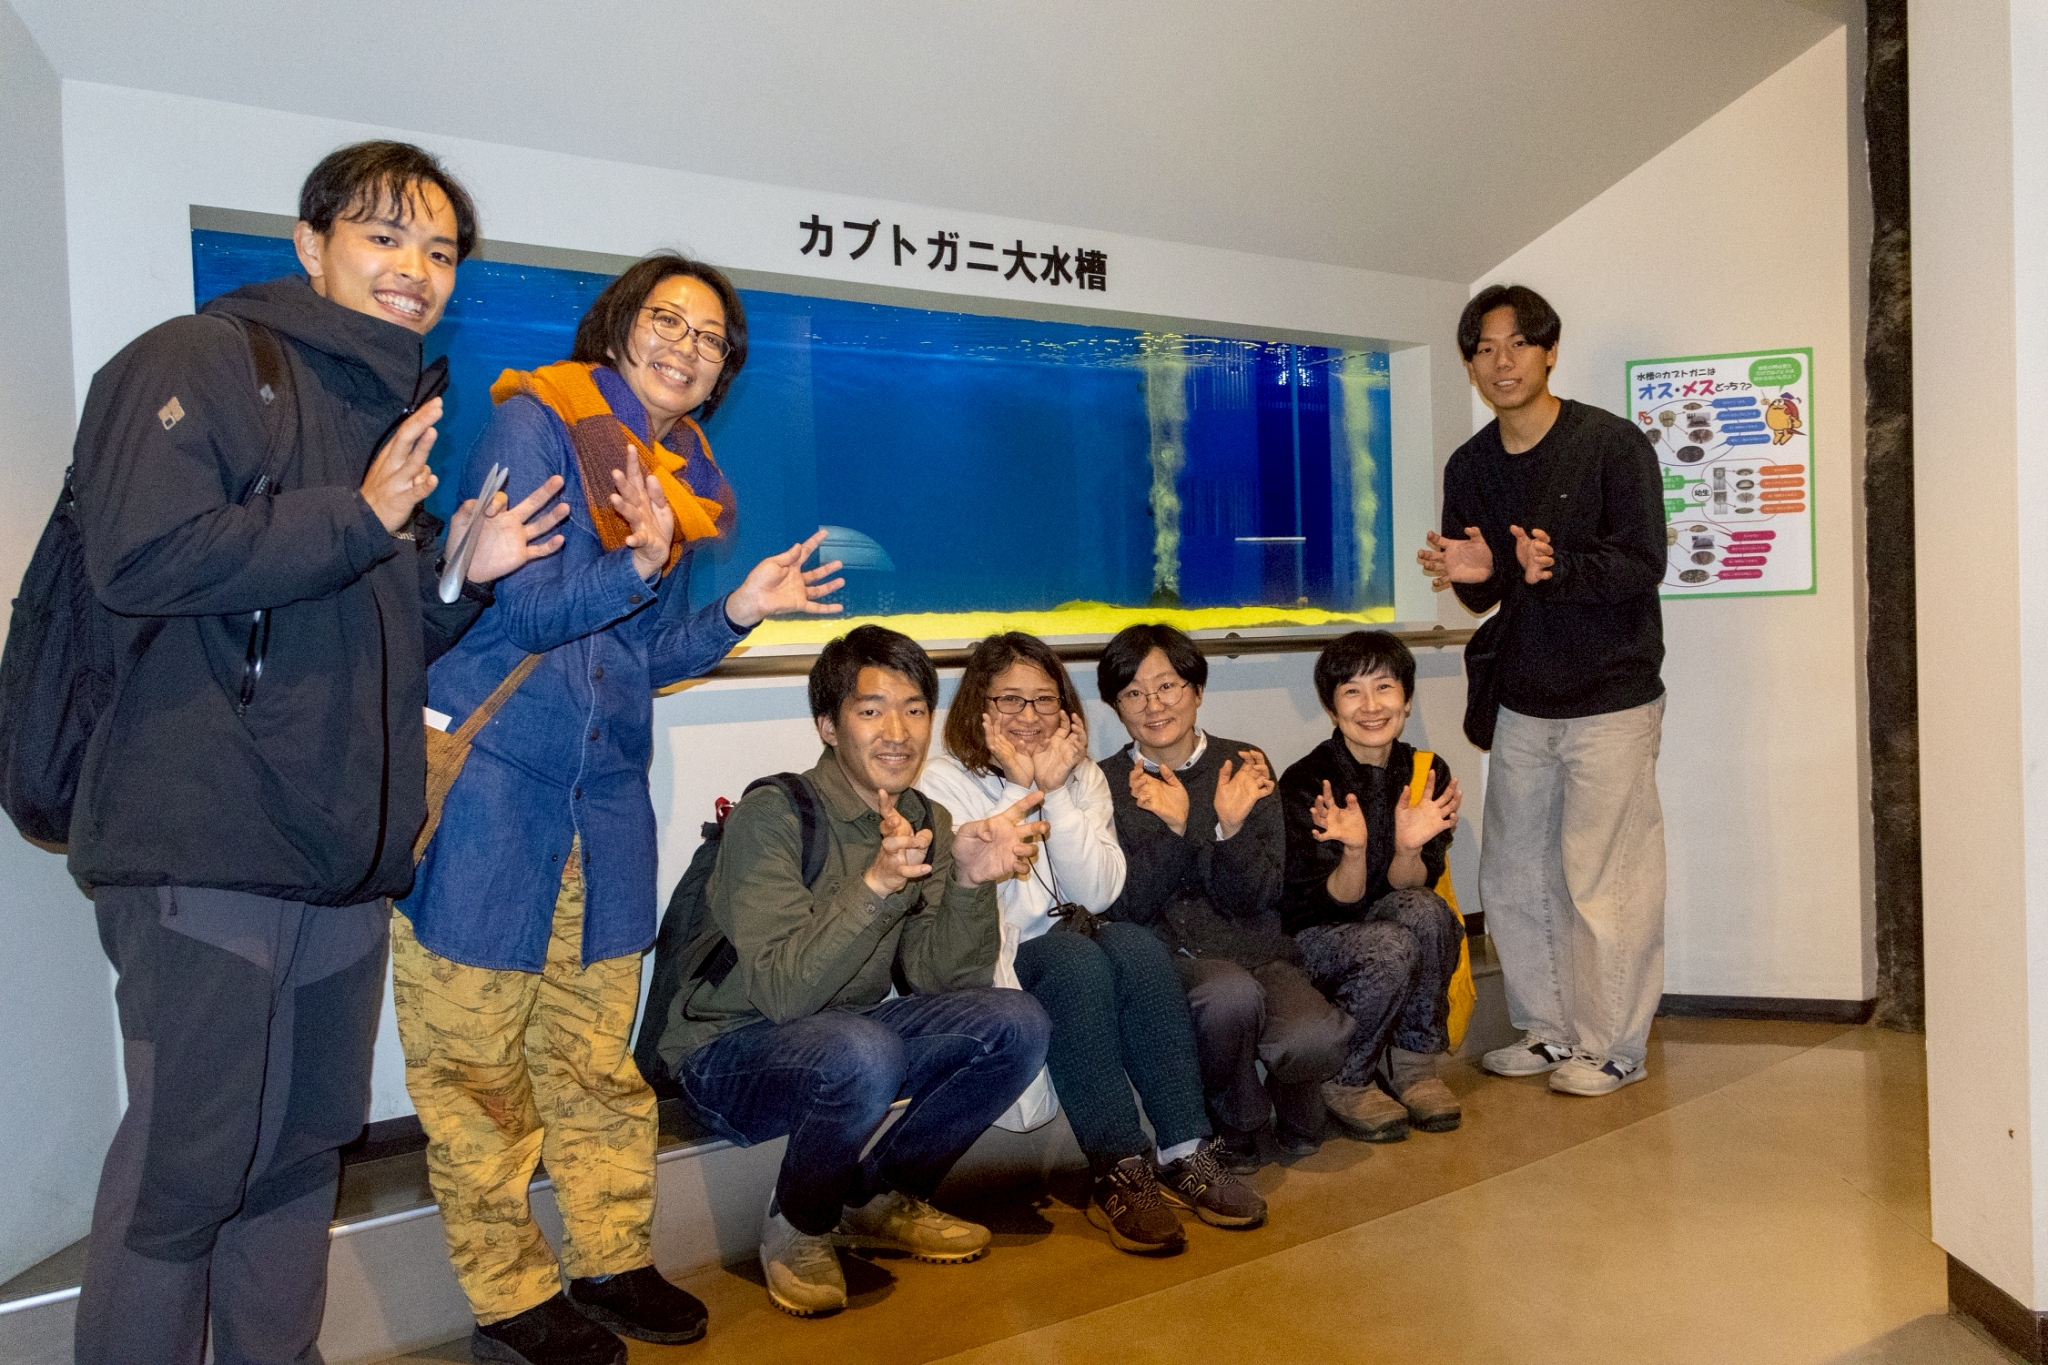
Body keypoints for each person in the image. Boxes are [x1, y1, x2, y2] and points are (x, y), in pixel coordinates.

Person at [67, 142, 569, 1365]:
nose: (415, 270)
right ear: (310, 243)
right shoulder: (196, 360)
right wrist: (361, 516)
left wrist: (456, 577)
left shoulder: (379, 411)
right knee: (187, 1168)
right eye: (384, 237)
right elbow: (140, 556)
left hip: (340, 860)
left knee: (299, 1159)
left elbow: (358, 621)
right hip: (205, 846)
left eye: (439, 251)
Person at [392, 254, 846, 1363]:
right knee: (476, 1073)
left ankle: (610, 1258)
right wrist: (639, 563)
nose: (687, 347)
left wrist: (738, 609)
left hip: (604, 810)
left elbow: (640, 658)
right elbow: (526, 608)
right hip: (495, 796)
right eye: (668, 320)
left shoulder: (680, 475)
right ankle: (509, 1297)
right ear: (618, 323)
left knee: (597, 1062)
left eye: (711, 339)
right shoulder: (536, 422)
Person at [657, 626, 1052, 1318]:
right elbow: (783, 992)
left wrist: (969, 881)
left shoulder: (925, 818)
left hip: (845, 1037)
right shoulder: (772, 815)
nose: (898, 731)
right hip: (726, 1053)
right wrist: (875, 887)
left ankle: (879, 1196)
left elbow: (941, 983)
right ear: (828, 725)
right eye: (872, 710)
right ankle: (800, 1222)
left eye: (914, 708)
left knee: (1018, 1022)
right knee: (863, 1049)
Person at [920, 632, 1265, 1255]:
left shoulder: (1081, 777)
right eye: (1010, 700)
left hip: (1072, 938)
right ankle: (1118, 1168)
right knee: (1075, 958)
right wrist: (1021, 788)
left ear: (1064, 706)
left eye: (1044, 699)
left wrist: (1055, 791)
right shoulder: (944, 780)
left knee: (1135, 945)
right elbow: (996, 903)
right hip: (992, 952)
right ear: (979, 706)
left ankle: (1186, 1149)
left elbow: (1100, 892)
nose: (1029, 716)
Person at [1418, 283, 1667, 1097]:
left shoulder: (1611, 444)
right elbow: (1485, 589)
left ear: (1550, 351)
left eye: (1519, 343)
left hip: (1612, 696)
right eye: (1485, 348)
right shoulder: (1470, 465)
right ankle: (1550, 1032)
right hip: (1522, 695)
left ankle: (1615, 1045)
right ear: (1470, 364)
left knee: (1606, 878)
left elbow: (1643, 560)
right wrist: (1476, 573)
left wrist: (1559, 566)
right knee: (1516, 874)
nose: (1503, 361)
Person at [1096, 624, 1352, 1165]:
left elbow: (1259, 894)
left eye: (1167, 686)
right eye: (1133, 693)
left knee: (1315, 1039)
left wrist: (1228, 830)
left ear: (1197, 690)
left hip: (1256, 947)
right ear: (1116, 706)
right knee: (1228, 997)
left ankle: (1287, 1089)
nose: (1153, 705)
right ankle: (1235, 1118)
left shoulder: (1245, 762)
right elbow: (1128, 905)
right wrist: (1178, 831)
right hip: (1174, 957)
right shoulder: (1105, 783)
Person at [1277, 632, 1467, 1141]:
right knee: (1390, 942)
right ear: (1332, 707)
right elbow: (1330, 907)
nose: (1371, 706)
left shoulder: (1426, 771)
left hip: (1391, 926)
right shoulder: (1308, 782)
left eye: (1384, 687)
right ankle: (1347, 1078)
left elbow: (1414, 888)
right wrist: (1355, 852)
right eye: (1351, 691)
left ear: (1406, 700)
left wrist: (1408, 849)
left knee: (1428, 912)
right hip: (1315, 938)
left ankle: (1415, 1068)